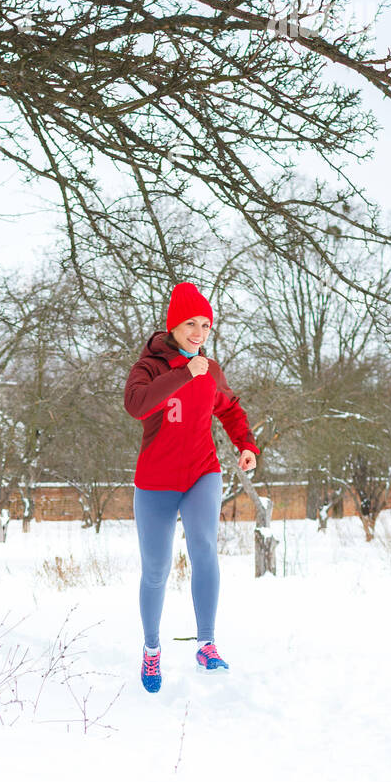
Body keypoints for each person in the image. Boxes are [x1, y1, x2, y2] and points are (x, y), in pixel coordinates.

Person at [123, 281, 260, 691]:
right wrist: (183, 374)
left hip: (202, 473)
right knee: (157, 569)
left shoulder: (210, 370)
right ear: (173, 327)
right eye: (191, 325)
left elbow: (230, 408)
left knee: (204, 550)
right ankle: (151, 651)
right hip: (155, 483)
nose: (199, 333)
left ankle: (207, 644)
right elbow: (137, 405)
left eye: (205, 325)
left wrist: (246, 443)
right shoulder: (149, 367)